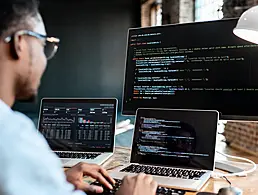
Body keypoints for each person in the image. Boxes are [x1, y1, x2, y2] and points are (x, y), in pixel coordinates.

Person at [0, 1, 158, 195]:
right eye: (44, 45)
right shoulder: (13, 136)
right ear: (19, 43)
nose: (45, 59)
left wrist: (58, 180)